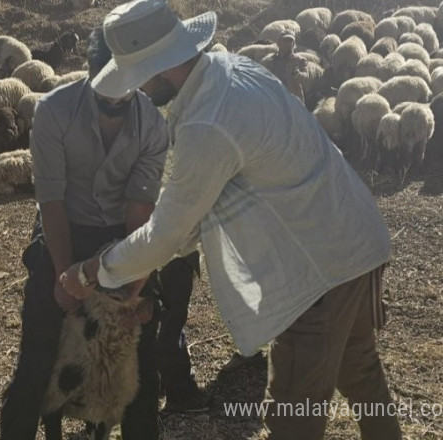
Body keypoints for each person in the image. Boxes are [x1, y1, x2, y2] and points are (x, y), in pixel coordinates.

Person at [60, 1, 403, 439]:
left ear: (159, 68)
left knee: (292, 415)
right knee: (360, 372)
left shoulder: (207, 123)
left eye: (136, 78)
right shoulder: (232, 68)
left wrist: (94, 271)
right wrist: (141, 264)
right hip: (351, 236)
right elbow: (190, 209)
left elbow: (167, 234)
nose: (138, 92)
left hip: (318, 272)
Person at [0, 27, 204, 440]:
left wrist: (134, 286)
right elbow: (51, 200)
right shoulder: (54, 112)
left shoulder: (151, 125)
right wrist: (63, 277)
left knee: (140, 372)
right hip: (64, 229)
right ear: (91, 76)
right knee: (35, 366)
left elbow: (140, 210)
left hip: (122, 238)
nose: (113, 105)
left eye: (123, 94)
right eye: (104, 94)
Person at [264, 29, 308, 103]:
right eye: (285, 40)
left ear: (294, 44)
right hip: (275, 100)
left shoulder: (300, 60)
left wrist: (298, 74)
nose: (288, 43)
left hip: (293, 102)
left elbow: (305, 77)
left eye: (290, 40)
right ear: (279, 42)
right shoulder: (270, 60)